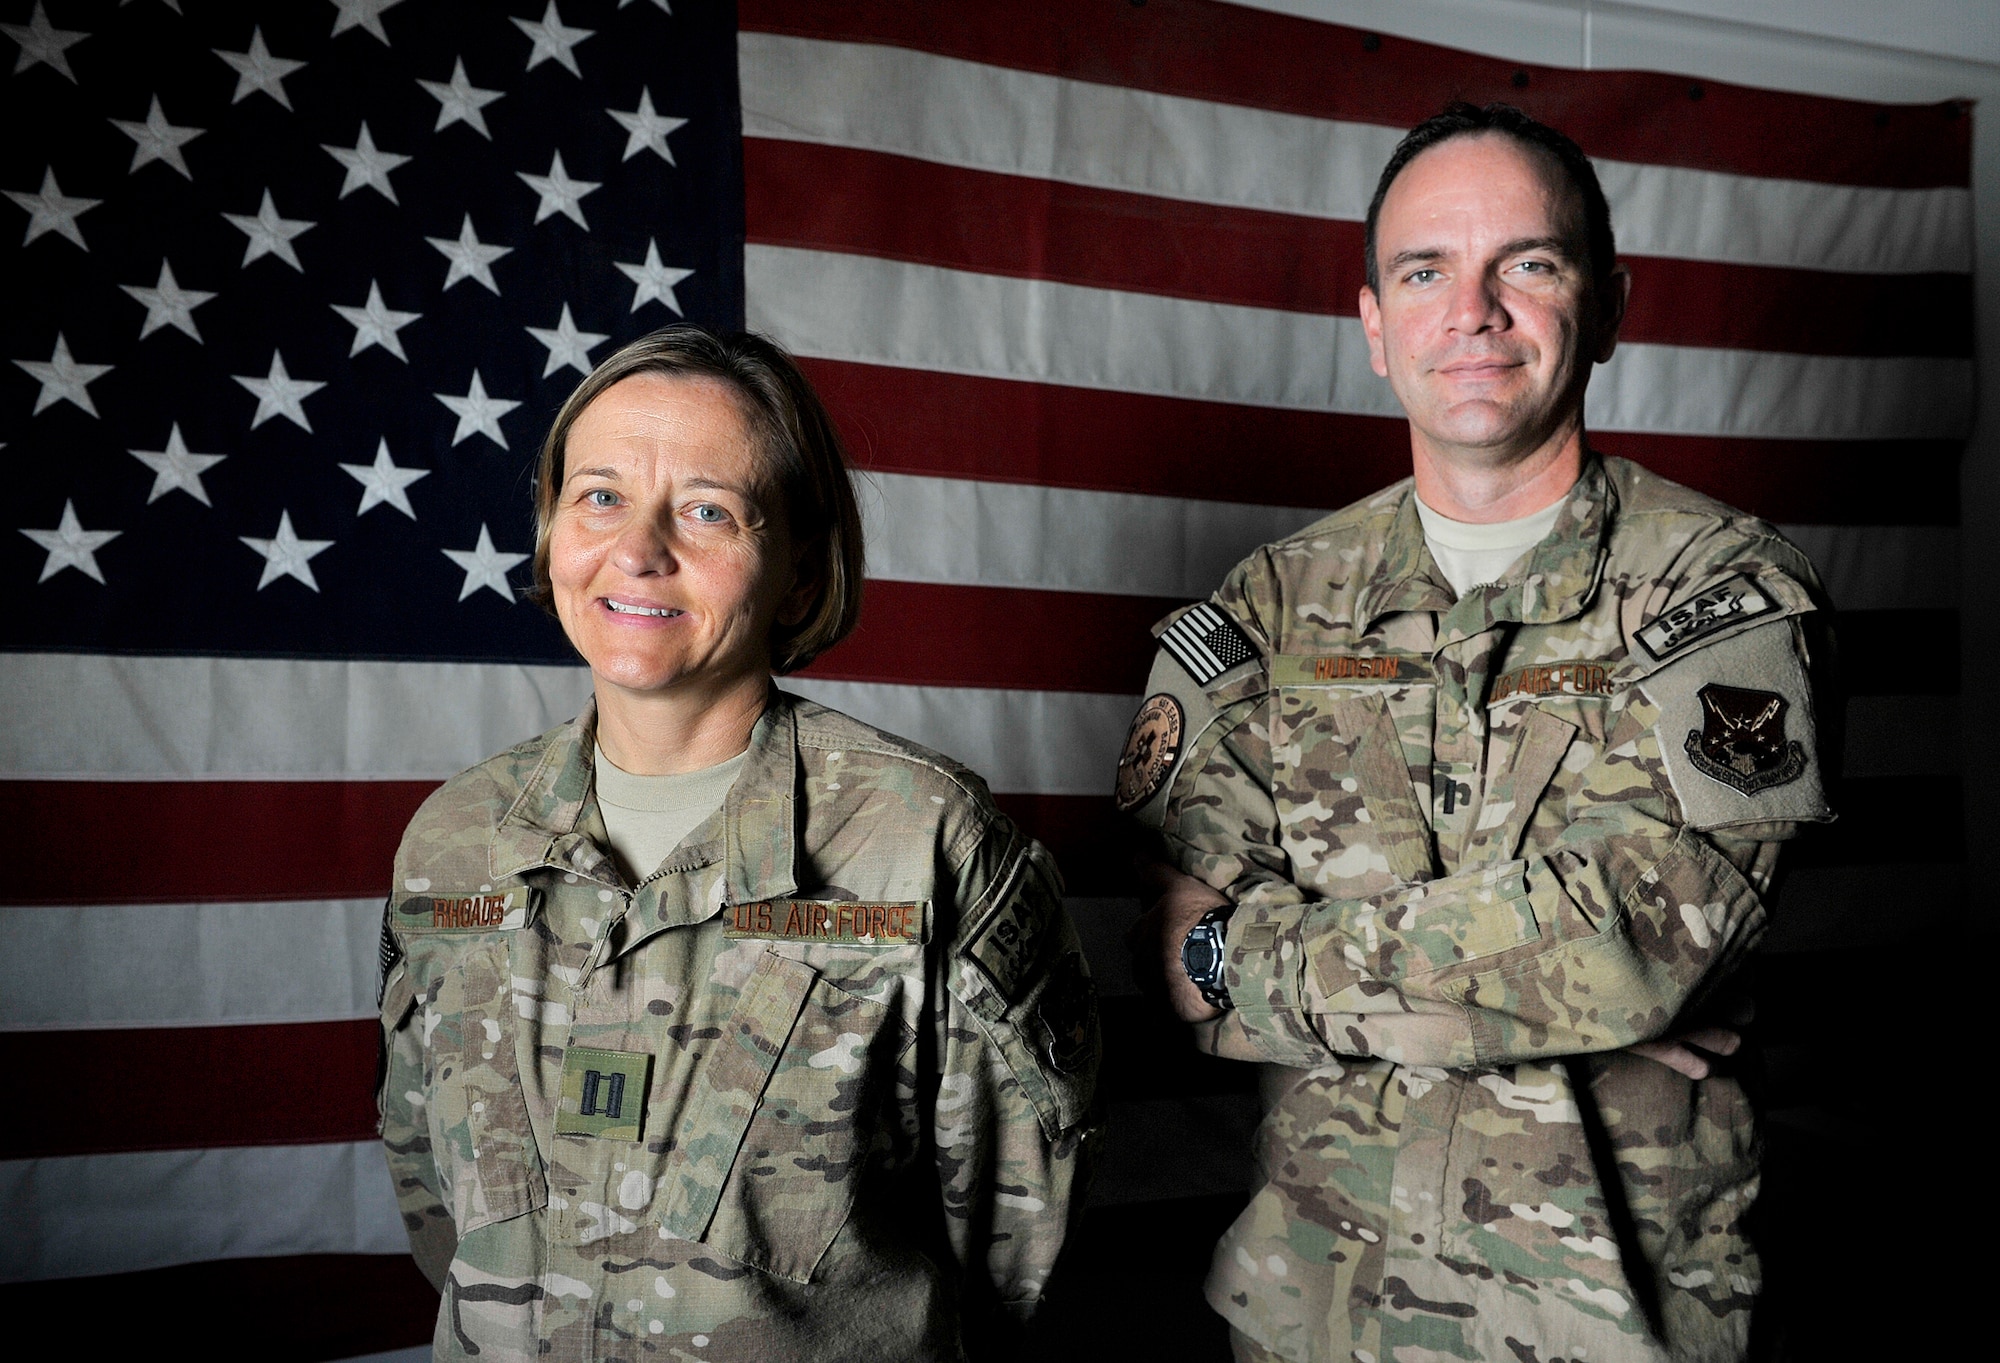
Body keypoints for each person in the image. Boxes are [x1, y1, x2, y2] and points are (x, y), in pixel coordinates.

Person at [1119, 103, 1835, 1363]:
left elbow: (1638, 944)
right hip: (1314, 1306)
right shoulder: (1261, 609)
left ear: (1607, 304)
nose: (1473, 310)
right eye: (1424, 270)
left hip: (1606, 1318)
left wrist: (1272, 958)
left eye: (1528, 263)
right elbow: (1173, 962)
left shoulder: (1720, 591)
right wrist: (1544, 994)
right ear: (1372, 326)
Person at [377, 326, 1101, 1362]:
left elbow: (1009, 1247)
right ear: (549, 533)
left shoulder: (925, 846)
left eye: (707, 510)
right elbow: (432, 1195)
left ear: (798, 572)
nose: (637, 549)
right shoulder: (453, 841)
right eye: (598, 496)